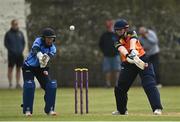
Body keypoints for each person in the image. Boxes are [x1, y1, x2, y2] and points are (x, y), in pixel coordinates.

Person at [112, 19, 163, 115]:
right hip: (128, 63)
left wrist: (132, 51)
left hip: (142, 59)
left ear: (126, 29)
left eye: (120, 30)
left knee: (149, 84)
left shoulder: (132, 33)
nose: (118, 31)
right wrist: (128, 55)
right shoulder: (116, 39)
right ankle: (122, 110)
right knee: (120, 88)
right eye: (117, 30)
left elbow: (133, 41)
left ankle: (157, 108)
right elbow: (121, 48)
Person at [21, 28, 57, 116]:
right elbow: (35, 49)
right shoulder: (38, 40)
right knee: (29, 85)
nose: (50, 40)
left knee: (51, 86)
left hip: (41, 69)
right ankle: (27, 110)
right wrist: (40, 55)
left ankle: (49, 109)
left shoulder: (53, 48)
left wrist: (45, 64)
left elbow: (47, 59)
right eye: (48, 38)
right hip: (29, 66)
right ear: (43, 38)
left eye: (52, 38)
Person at [99, 20, 121, 88]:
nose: (109, 28)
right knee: (107, 70)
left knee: (117, 70)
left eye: (110, 26)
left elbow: (121, 43)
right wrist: (104, 51)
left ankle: (117, 84)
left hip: (116, 55)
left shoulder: (116, 35)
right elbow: (100, 44)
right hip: (107, 56)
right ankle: (108, 84)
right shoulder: (104, 35)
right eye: (108, 27)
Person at [4, 19, 25, 89]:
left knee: (18, 69)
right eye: (14, 24)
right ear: (12, 25)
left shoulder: (20, 33)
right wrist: (11, 50)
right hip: (11, 55)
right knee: (10, 69)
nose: (15, 26)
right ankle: (10, 83)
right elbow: (6, 44)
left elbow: (23, 43)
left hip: (19, 55)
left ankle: (18, 83)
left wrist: (21, 50)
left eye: (16, 24)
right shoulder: (8, 34)